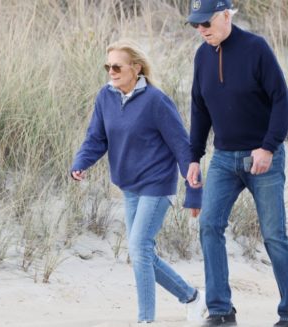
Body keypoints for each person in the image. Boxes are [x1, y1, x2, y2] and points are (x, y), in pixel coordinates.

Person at [185, 1, 288, 326]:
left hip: (261, 158)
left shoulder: (256, 48)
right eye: (196, 25)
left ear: (226, 15)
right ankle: (221, 312)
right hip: (224, 159)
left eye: (206, 23)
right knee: (209, 226)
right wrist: (194, 157)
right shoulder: (201, 56)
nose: (201, 30)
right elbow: (199, 109)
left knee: (273, 235)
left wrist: (268, 147)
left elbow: (282, 99)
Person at [70, 39, 207, 324]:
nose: (111, 71)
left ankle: (146, 320)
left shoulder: (156, 101)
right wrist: (81, 162)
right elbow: (97, 138)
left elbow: (182, 147)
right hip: (129, 186)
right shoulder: (105, 97)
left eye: (117, 66)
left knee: (139, 247)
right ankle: (193, 297)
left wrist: (195, 192)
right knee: (141, 251)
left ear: (136, 68)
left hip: (157, 185)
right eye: (108, 66)